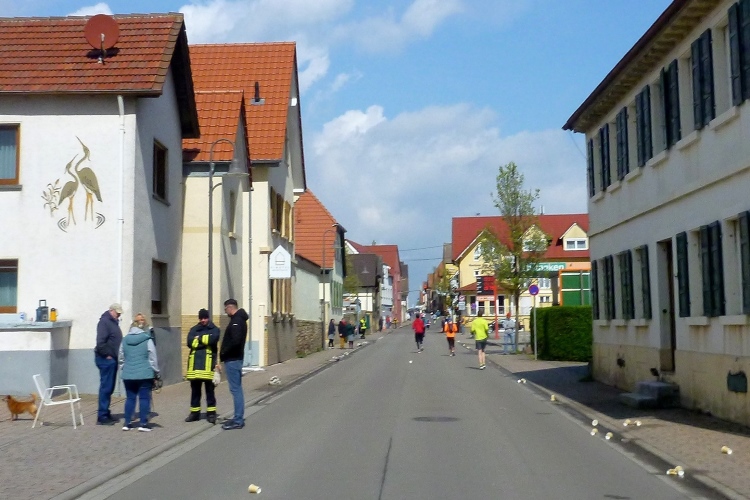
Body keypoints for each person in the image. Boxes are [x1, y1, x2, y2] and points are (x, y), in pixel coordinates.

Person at [119, 314, 160, 431]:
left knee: (130, 398)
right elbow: (152, 357)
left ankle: (127, 423)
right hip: (144, 374)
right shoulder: (147, 339)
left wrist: (124, 368)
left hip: (128, 374)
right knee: (144, 398)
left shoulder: (124, 340)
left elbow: (121, 357)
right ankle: (143, 424)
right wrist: (156, 372)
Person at [185, 308, 221, 424]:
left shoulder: (214, 329)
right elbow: (190, 343)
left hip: (208, 365)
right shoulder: (194, 329)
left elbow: (213, 340)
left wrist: (199, 338)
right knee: (195, 392)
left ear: (208, 318)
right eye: (201, 318)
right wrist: (204, 340)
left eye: (205, 318)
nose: (203, 320)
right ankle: (194, 413)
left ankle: (211, 413)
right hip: (195, 366)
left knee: (210, 391)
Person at [217, 299, 248, 430]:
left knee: (236, 390)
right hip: (235, 359)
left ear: (230, 308)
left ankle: (238, 420)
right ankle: (237, 418)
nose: (225, 312)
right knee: (237, 389)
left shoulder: (237, 321)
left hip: (233, 359)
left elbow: (235, 341)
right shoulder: (239, 319)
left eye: (225, 309)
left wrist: (224, 352)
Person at [94, 303, 123, 425]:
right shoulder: (104, 322)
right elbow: (100, 343)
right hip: (106, 359)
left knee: (109, 387)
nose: (119, 315)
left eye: (120, 313)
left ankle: (105, 411)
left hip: (112, 359)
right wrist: (108, 355)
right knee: (106, 387)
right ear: (111, 311)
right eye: (117, 313)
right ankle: (102, 416)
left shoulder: (113, 322)